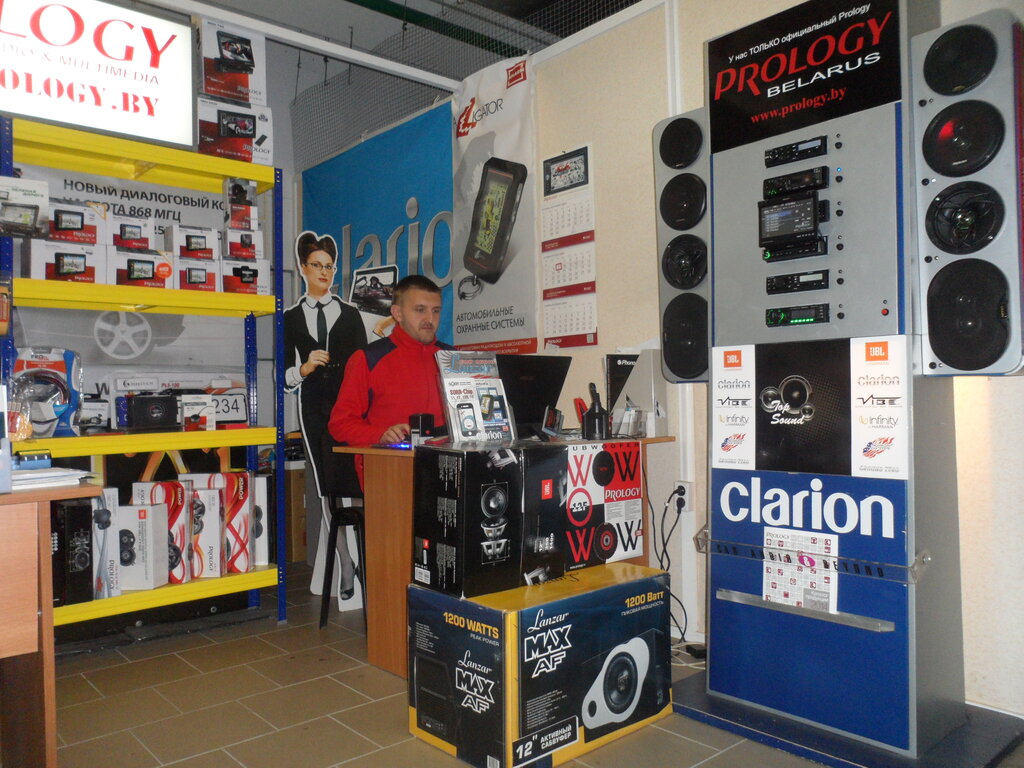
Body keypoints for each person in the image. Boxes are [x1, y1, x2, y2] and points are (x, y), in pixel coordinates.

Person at [284, 231, 366, 599]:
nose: (323, 272)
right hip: (314, 409)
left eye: (329, 267)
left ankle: (367, 557)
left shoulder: (350, 314)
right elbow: (283, 376)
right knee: (327, 489)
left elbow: (365, 367)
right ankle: (346, 564)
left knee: (359, 482)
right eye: (316, 265)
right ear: (303, 268)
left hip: (351, 408)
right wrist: (303, 369)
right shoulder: (290, 318)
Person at [328, 274, 451, 450]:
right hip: (387, 462)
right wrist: (380, 435)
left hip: (445, 462)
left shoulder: (453, 358)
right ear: (397, 313)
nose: (430, 319)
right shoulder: (368, 359)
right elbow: (340, 425)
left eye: (436, 311)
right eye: (420, 310)